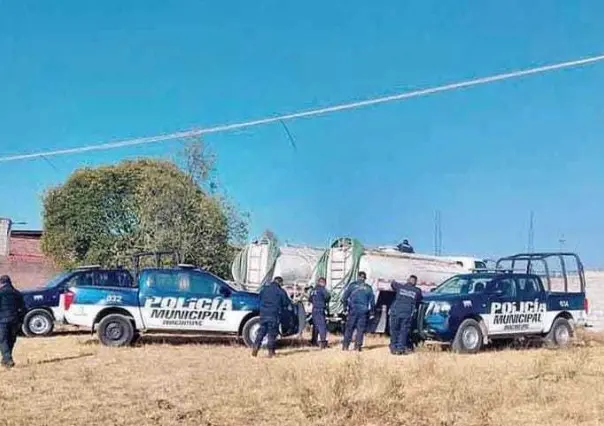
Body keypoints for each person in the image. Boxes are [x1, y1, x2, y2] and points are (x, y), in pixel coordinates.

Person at [252, 276, 290, 358]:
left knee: (261, 332)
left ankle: (255, 349)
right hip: (274, 315)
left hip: (263, 314)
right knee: (271, 334)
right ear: (280, 283)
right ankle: (271, 352)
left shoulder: (265, 289)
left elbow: (259, 298)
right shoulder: (281, 291)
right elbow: (286, 303)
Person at [342, 271, 375, 352]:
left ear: (358, 277)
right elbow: (372, 302)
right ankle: (357, 347)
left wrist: (345, 308)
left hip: (353, 310)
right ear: (365, 278)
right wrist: (372, 312)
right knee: (360, 329)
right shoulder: (368, 288)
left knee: (349, 328)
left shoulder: (352, 286)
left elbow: (344, 298)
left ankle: (345, 346)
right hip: (363, 311)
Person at [389, 274, 422, 355]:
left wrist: (393, 280)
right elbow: (419, 299)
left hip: (396, 312)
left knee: (394, 330)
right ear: (415, 282)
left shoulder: (400, 287)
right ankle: (400, 349)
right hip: (407, 314)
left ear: (408, 280)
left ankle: (393, 348)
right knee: (403, 332)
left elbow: (393, 284)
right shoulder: (417, 291)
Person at [0, 275, 24, 368]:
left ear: (1, 283)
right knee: (11, 340)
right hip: (15, 320)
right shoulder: (17, 293)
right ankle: (5, 359)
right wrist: (21, 320)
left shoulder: (1, 293)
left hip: (2, 320)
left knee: (3, 340)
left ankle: (8, 359)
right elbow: (23, 308)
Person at [309, 277, 330, 349]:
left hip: (314, 309)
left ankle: (313, 341)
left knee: (316, 326)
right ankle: (323, 343)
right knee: (322, 326)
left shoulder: (313, 290)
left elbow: (310, 299)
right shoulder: (322, 289)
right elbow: (327, 297)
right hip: (320, 309)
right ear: (323, 282)